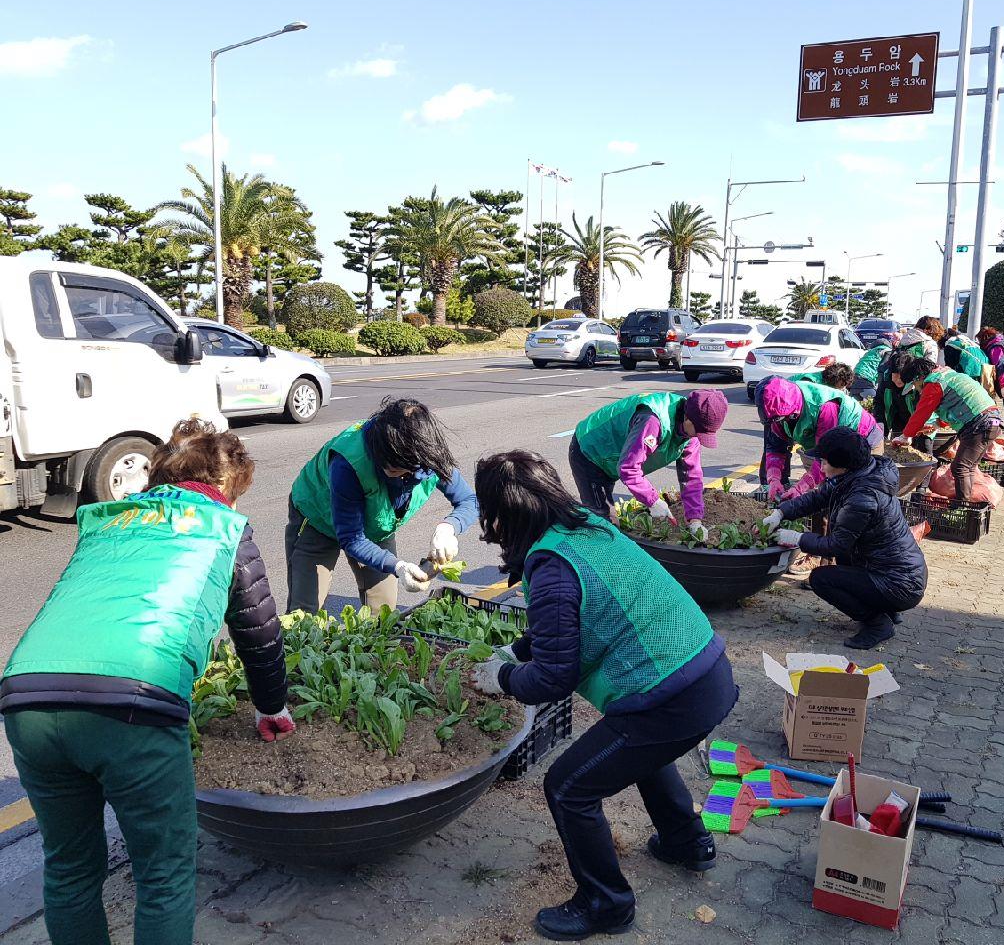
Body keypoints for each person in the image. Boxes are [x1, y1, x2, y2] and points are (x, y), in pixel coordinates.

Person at [0, 420, 291, 945]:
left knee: (68, 869)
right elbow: (259, 632)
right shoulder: (223, 529)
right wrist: (271, 706)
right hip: (132, 704)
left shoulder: (108, 522)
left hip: (27, 697)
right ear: (226, 485)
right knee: (163, 877)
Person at [468, 451, 736, 942]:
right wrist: (516, 648)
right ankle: (688, 842)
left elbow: (551, 678)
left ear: (501, 516)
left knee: (569, 788)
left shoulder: (550, 568)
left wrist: (501, 677)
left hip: (669, 695)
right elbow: (570, 621)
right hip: (708, 671)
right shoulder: (587, 526)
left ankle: (606, 904)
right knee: (640, 752)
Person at [286, 397, 477, 612]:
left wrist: (449, 527)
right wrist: (398, 565)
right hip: (318, 518)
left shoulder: (428, 456)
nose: (399, 476)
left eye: (405, 471)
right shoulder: (348, 464)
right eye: (393, 471)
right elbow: (352, 538)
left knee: (383, 610)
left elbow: (468, 501)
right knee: (303, 613)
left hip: (376, 526)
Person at [766, 428, 926, 649]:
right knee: (845, 562)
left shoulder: (863, 497)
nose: (821, 467)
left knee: (821, 579)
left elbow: (836, 545)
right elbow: (818, 498)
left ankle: (877, 623)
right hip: (895, 572)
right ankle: (887, 609)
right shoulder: (861, 474)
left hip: (901, 584)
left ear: (842, 464)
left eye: (824, 462)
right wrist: (781, 513)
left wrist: (796, 538)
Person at [569, 390, 728, 532]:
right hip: (590, 451)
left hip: (612, 458)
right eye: (700, 432)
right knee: (604, 525)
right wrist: (652, 501)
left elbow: (691, 477)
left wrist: (695, 519)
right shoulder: (653, 421)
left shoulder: (691, 433)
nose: (699, 438)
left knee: (608, 521)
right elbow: (629, 469)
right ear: (688, 419)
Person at [891, 357, 1003, 504]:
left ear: (919, 378)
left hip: (979, 423)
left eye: (915, 385)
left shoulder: (934, 383)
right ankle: (966, 502)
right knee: (966, 467)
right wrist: (938, 424)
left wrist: (905, 436)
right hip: (990, 420)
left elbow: (921, 413)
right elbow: (958, 402)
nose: (917, 389)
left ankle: (962, 505)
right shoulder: (947, 375)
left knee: (961, 467)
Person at [758, 376, 884, 502]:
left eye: (780, 419)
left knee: (857, 495)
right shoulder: (778, 414)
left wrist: (800, 488)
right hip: (836, 447)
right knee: (828, 495)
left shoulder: (825, 408)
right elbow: (776, 447)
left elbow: (827, 457)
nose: (778, 423)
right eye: (776, 420)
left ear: (793, 411)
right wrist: (773, 479)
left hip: (864, 440)